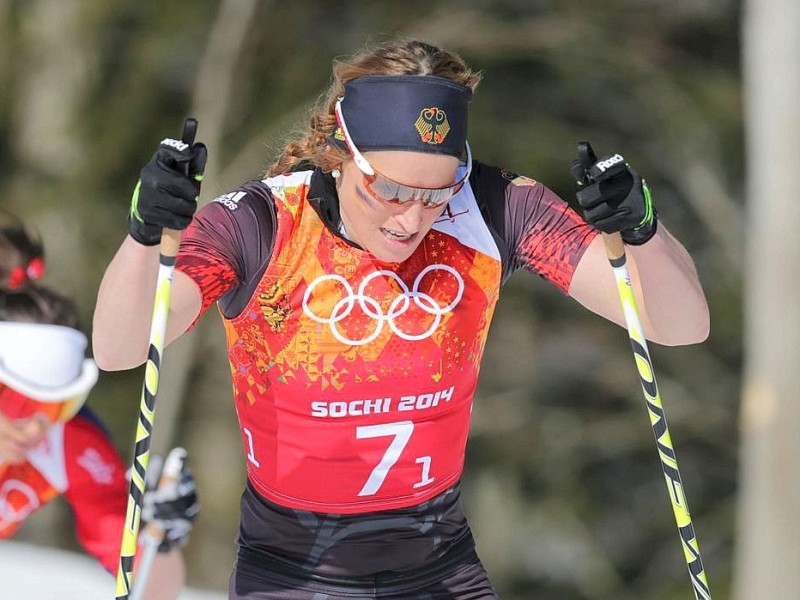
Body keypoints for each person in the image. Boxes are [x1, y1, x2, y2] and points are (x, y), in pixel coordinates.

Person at [92, 38, 710, 599]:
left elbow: (679, 325)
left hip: (440, 569)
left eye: (436, 193)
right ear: (341, 155)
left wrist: (642, 229)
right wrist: (145, 236)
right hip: (292, 572)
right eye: (388, 190)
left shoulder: (495, 207)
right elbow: (121, 348)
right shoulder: (260, 225)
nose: (411, 219)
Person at [0, 268, 199, 596]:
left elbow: (150, 589)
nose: (36, 427)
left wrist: (160, 535)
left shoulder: (69, 443)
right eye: (22, 404)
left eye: (55, 406)